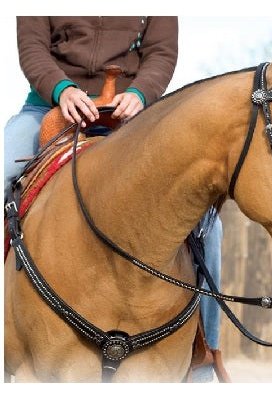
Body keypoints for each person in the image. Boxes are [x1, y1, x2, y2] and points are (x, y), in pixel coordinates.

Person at [4, 16, 222, 381]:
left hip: (131, 108)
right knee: (3, 177)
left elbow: (161, 52)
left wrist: (139, 94)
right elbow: (33, 48)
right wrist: (62, 89)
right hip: (48, 105)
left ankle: (204, 355)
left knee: (208, 223)